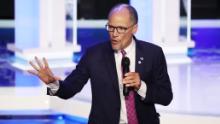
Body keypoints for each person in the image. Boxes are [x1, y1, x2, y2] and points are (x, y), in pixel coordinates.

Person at [28, 3, 173, 124]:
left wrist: (141, 86)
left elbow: (166, 97)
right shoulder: (94, 55)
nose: (114, 34)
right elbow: (69, 89)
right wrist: (52, 83)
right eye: (110, 27)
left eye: (121, 29)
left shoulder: (153, 53)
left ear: (134, 28)